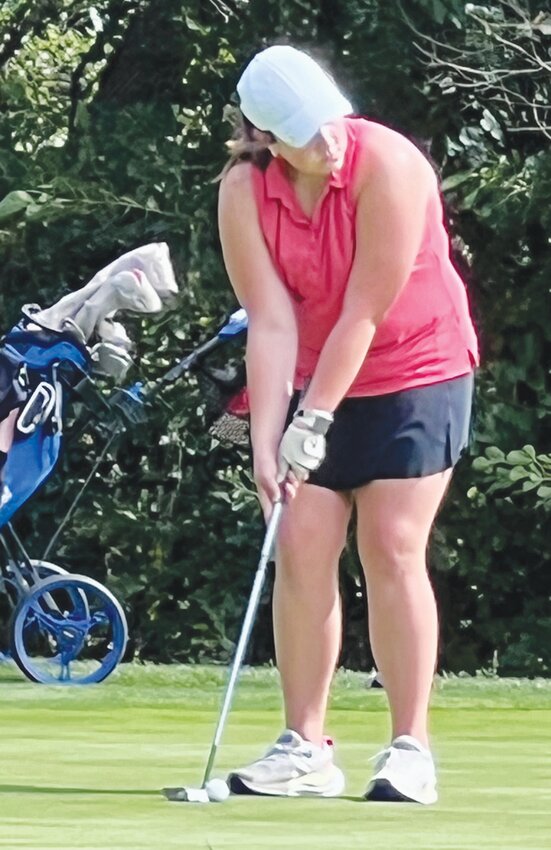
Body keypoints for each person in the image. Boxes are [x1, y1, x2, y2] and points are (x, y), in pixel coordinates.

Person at [217, 44, 478, 804]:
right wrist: (267, 441)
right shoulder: (244, 192)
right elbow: (268, 322)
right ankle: (304, 747)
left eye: (329, 121)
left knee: (390, 546)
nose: (326, 141)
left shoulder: (388, 165)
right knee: (299, 541)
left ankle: (410, 749)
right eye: (303, 133)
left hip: (415, 365)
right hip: (310, 369)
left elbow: (364, 310)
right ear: (264, 137)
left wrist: (315, 419)